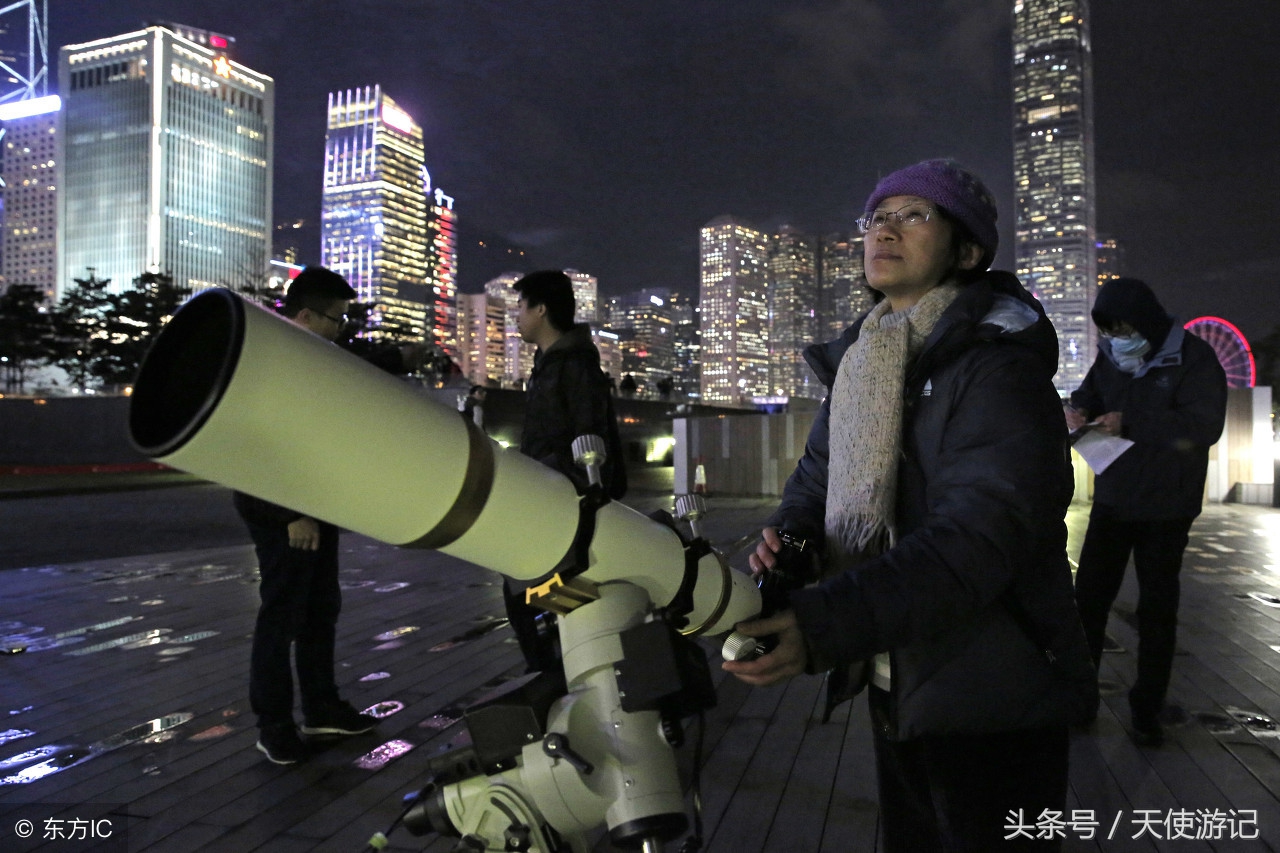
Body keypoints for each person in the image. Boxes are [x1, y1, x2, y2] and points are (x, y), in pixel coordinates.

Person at [723, 159, 1097, 851]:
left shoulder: (996, 369)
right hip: (897, 672)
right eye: (878, 215)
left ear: (967, 250)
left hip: (994, 691)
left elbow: (981, 538)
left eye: (915, 214)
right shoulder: (865, 361)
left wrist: (826, 623)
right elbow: (816, 478)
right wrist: (794, 539)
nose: (885, 228)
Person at [1066, 277, 1227, 747]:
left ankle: (1147, 708)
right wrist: (1077, 411)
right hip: (1115, 496)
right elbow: (1090, 396)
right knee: (1088, 601)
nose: (1120, 338)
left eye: (1126, 327)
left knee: (1156, 609)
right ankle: (1080, 697)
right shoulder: (1111, 358)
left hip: (1167, 504)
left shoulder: (1194, 358)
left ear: (1149, 323)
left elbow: (1204, 425)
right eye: (1110, 329)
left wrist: (1131, 421)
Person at [233, 266, 379, 765]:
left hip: (315, 507)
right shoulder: (268, 360)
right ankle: (273, 725)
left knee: (319, 611)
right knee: (282, 617)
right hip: (284, 514)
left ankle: (321, 709)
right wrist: (288, 514)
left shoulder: (311, 358)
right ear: (304, 315)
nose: (342, 328)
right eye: (335, 319)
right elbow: (250, 445)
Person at [505, 270, 626, 672]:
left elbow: (589, 435)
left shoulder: (572, 365)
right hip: (547, 494)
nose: (515, 317)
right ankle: (558, 671)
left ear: (541, 309)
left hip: (563, 500)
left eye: (520, 307)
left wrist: (573, 490)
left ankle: (558, 675)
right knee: (528, 591)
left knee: (532, 590)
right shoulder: (551, 362)